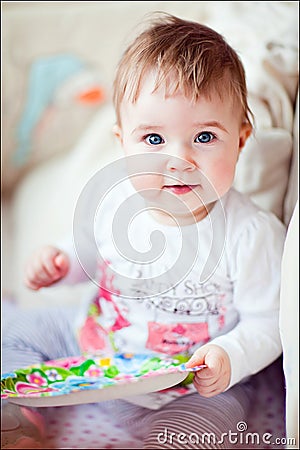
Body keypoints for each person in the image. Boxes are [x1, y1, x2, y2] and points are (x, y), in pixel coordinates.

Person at [2, 13, 286, 449]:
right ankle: (18, 420)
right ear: (123, 143)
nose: (178, 159)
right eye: (154, 139)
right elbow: (92, 255)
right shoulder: (117, 203)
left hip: (185, 386)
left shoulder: (251, 234)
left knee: (213, 426)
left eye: (205, 137)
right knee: (14, 332)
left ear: (242, 139)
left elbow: (269, 322)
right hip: (90, 350)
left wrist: (230, 357)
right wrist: (61, 262)